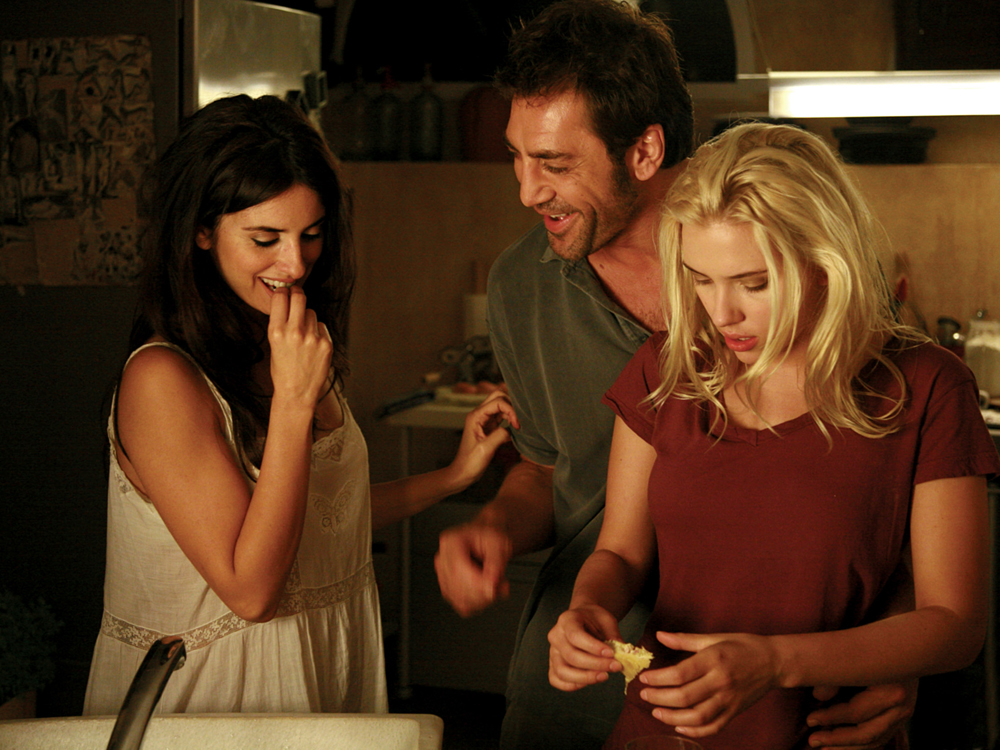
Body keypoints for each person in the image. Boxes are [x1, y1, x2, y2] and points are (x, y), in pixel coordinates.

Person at [433, 2, 918, 749]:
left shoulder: (809, 259)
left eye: (555, 164)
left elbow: (891, 488)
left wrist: (895, 653)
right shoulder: (521, 285)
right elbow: (546, 468)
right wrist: (494, 527)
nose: (527, 191)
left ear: (645, 150)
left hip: (785, 697)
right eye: (517, 158)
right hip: (583, 684)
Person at [546, 122, 1000, 750]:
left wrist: (777, 662)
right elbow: (620, 554)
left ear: (825, 262)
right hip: (658, 733)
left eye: (753, 283)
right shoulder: (666, 368)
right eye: (701, 279)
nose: (720, 312)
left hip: (820, 736)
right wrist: (587, 608)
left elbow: (955, 624)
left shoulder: (926, 386)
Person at [82, 94, 516, 716]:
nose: (294, 264)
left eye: (311, 235)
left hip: (319, 666)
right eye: (265, 239)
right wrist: (292, 402)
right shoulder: (162, 380)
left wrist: (453, 477)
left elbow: (319, 522)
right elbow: (252, 591)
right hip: (218, 700)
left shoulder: (286, 342)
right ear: (201, 230)